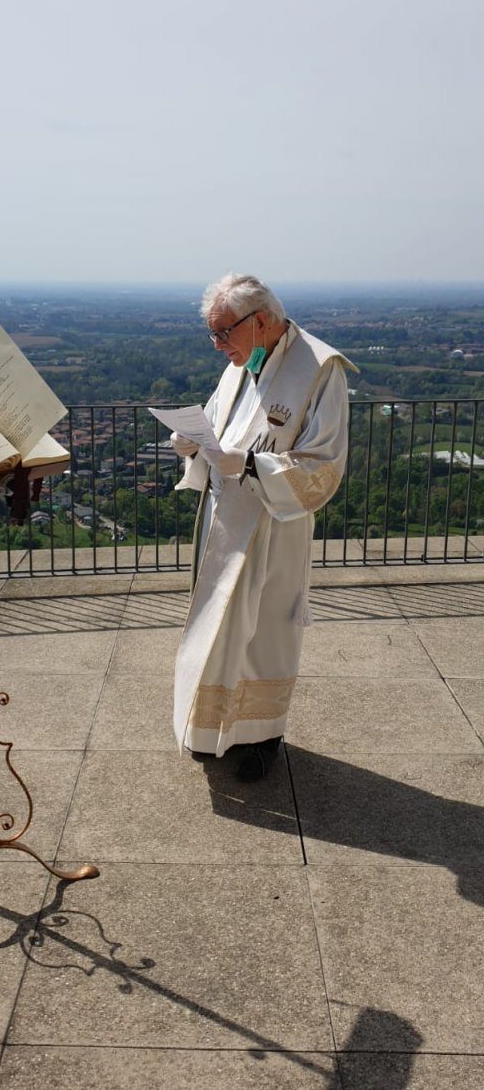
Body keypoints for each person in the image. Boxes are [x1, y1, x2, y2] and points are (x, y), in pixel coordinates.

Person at [172, 273, 356, 781]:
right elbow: (215, 423)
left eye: (224, 332)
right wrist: (191, 444)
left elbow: (326, 464)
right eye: (212, 334)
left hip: (275, 524)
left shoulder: (320, 369)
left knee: (263, 633)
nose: (218, 345)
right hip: (224, 519)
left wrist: (252, 466)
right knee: (221, 628)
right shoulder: (240, 363)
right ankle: (211, 731)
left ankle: (260, 739)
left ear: (262, 321)